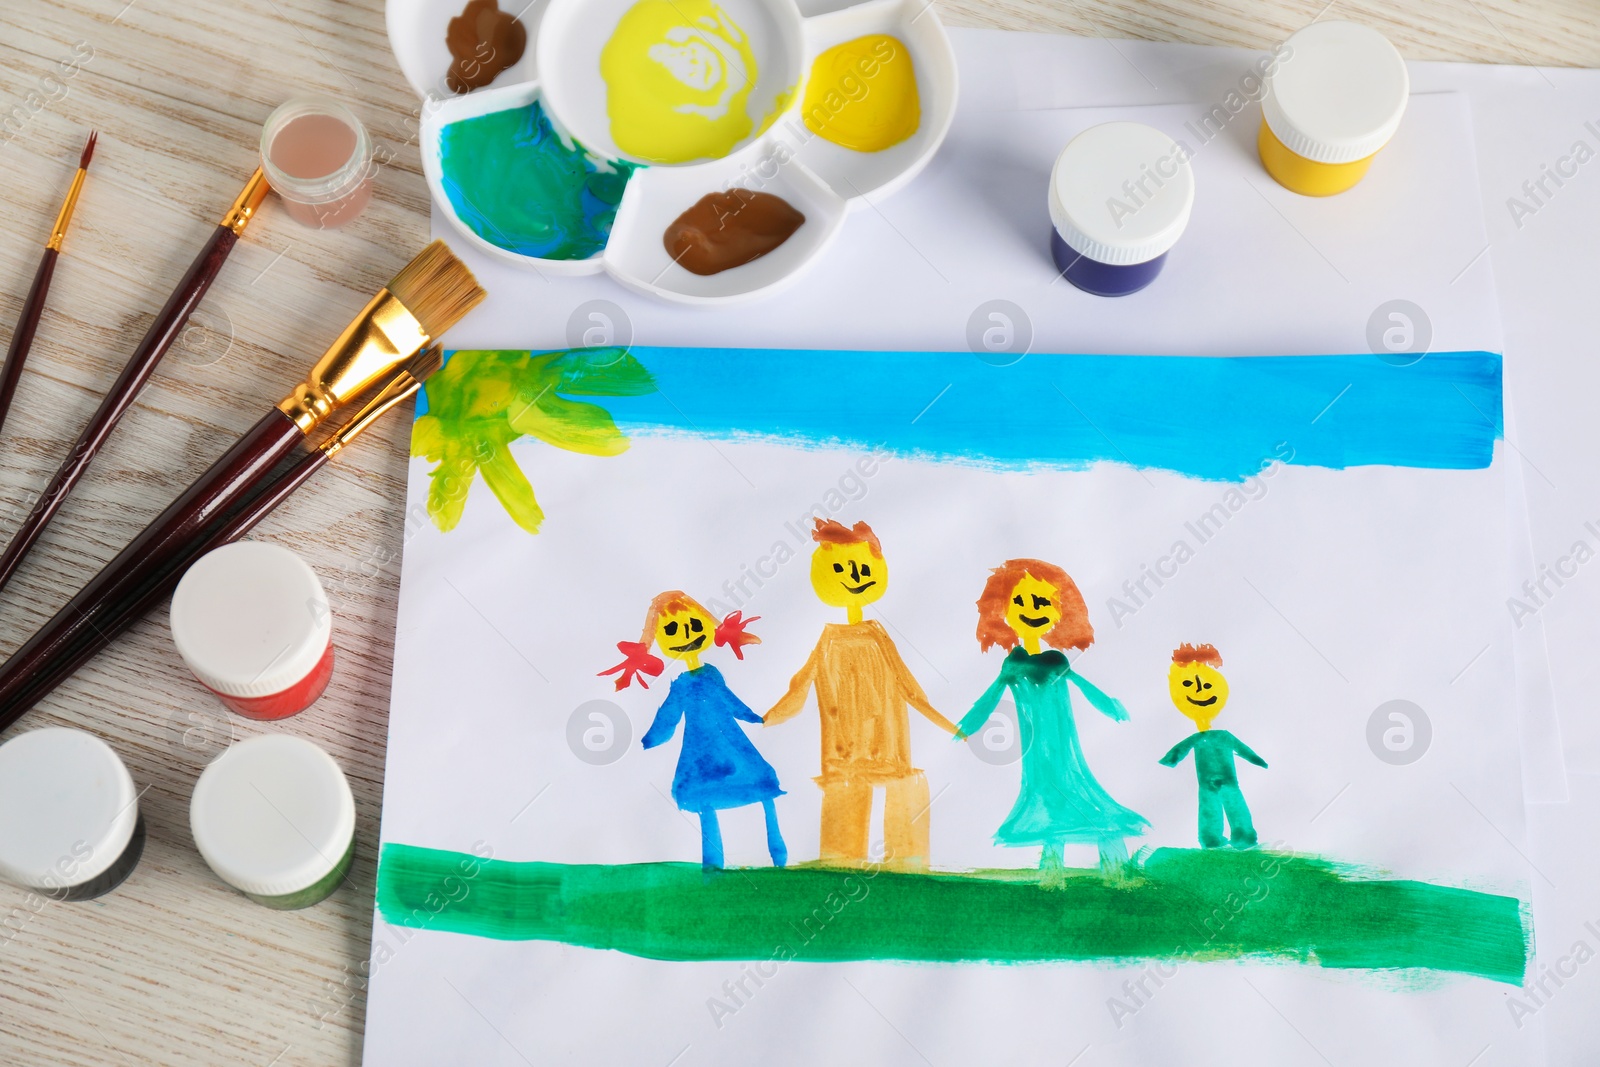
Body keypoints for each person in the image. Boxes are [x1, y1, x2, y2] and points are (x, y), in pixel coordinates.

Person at [765, 519, 958, 868]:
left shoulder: (877, 636)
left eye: (863, 567)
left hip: (889, 748)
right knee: (842, 833)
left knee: (903, 803)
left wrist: (950, 726)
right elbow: (802, 685)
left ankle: (908, 865)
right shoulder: (828, 640)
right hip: (842, 753)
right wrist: (766, 718)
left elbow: (909, 688)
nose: (854, 577)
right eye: (840, 568)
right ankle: (841, 863)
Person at [956, 558, 1149, 873]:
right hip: (1036, 755)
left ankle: (1115, 869)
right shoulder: (1013, 663)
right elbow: (991, 696)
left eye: (1043, 602)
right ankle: (1052, 874)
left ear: (1058, 610)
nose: (1033, 609)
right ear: (1003, 611)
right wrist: (969, 725)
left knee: (1082, 802)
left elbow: (1084, 687)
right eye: (1020, 602)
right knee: (1048, 807)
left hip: (1063, 749)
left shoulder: (1057, 660)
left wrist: (1111, 706)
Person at [601, 591, 785, 869]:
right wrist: (650, 739)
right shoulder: (682, 686)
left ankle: (777, 854)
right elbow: (669, 715)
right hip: (702, 754)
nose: (687, 634)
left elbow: (730, 701)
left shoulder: (711, 674)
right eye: (673, 629)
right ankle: (713, 866)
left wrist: (753, 717)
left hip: (731, 744)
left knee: (761, 787)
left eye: (694, 625)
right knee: (709, 802)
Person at [1158, 642, 1267, 849]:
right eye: (1188, 685)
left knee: (1220, 807)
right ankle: (1219, 838)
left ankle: (1232, 837)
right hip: (1214, 782)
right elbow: (1179, 750)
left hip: (1220, 781)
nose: (1199, 691)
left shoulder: (1221, 737)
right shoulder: (1206, 738)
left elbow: (1243, 750)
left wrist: (1258, 761)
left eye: (1207, 686)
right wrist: (1169, 759)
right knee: (1216, 808)